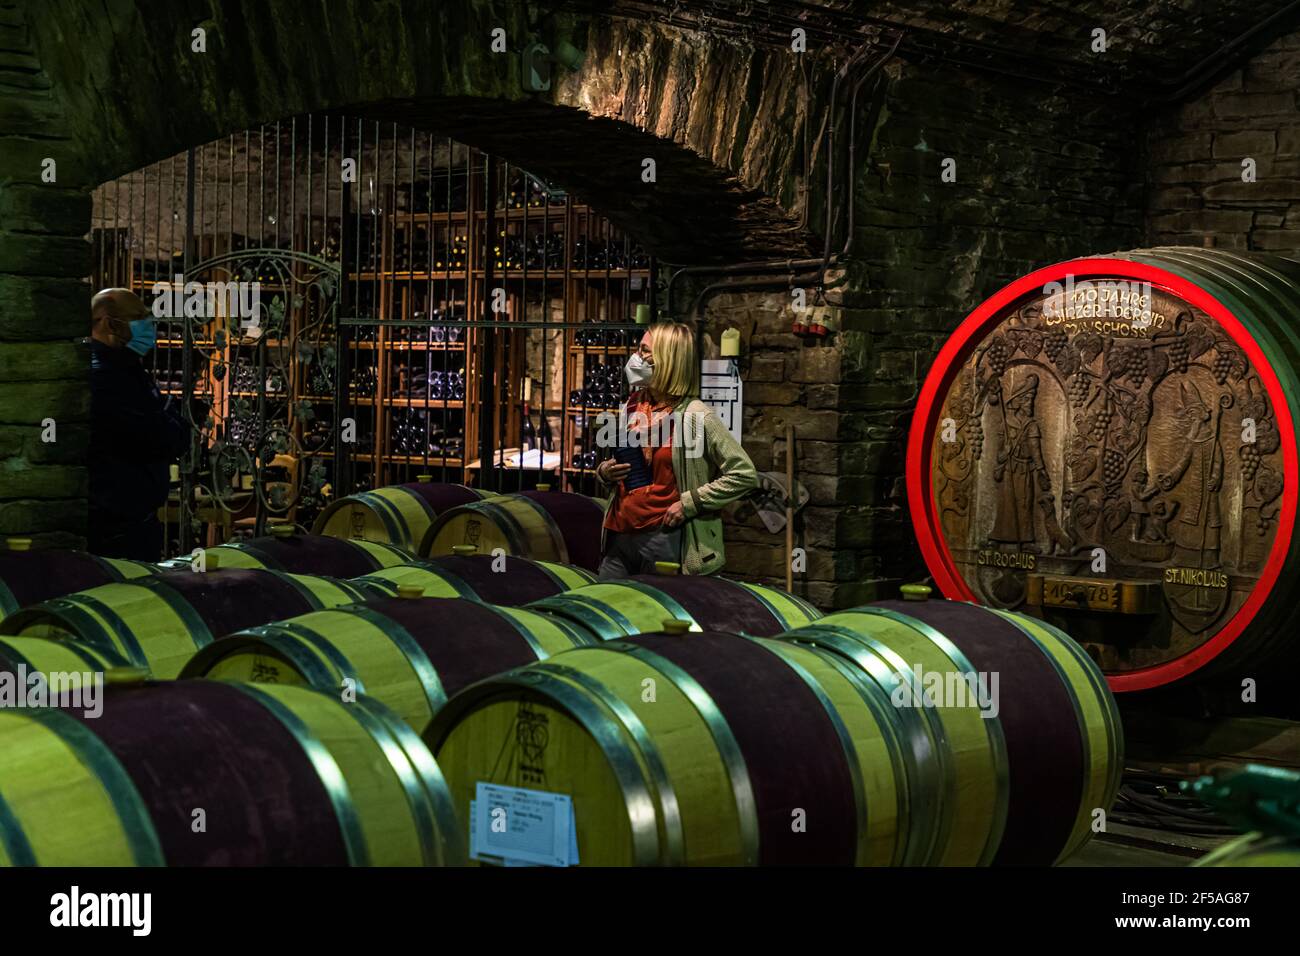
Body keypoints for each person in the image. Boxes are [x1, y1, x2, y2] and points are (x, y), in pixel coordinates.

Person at [594, 321, 757, 578]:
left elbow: (744, 474)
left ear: (668, 359)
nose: (636, 358)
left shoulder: (696, 416)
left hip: (663, 537)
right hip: (619, 532)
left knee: (653, 614)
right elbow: (624, 465)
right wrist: (605, 472)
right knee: (606, 611)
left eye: (645, 350)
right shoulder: (632, 405)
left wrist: (689, 504)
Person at [88, 288, 190, 561]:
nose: (149, 325)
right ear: (109, 323)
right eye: (139, 317)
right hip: (115, 528)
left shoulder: (127, 369)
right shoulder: (105, 378)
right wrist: (167, 422)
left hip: (135, 521)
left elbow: (169, 430)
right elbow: (161, 437)